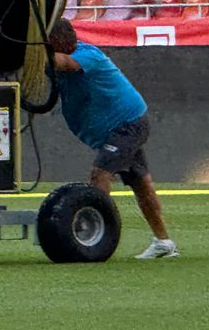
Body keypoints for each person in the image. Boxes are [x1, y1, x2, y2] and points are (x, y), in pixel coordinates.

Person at [48, 18, 178, 259]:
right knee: (141, 183)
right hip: (120, 126)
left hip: (128, 124)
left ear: (59, 41)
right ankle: (164, 242)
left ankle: (96, 238)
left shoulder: (87, 54)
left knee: (100, 173)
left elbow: (66, 63)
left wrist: (33, 52)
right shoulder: (57, 60)